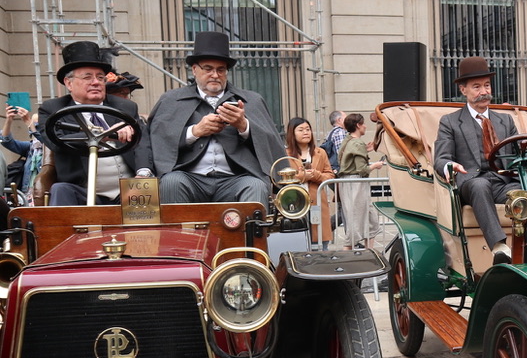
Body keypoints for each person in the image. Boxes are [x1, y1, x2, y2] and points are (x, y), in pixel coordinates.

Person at [136, 31, 286, 204]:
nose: (215, 75)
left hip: (236, 179)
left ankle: (251, 232)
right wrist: (195, 131)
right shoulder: (171, 100)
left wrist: (243, 126)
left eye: (220, 69)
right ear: (194, 70)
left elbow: (271, 144)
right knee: (171, 182)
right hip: (189, 178)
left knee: (255, 186)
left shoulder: (251, 100)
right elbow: (156, 140)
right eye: (208, 69)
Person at [433, 56, 527, 265]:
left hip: (503, 183)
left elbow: (516, 158)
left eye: (487, 85)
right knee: (480, 184)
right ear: (463, 90)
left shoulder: (505, 120)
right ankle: (500, 248)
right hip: (472, 184)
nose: (484, 91)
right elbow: (441, 159)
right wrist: (450, 166)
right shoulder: (450, 122)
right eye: (476, 87)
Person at [38, 41, 139, 205]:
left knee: (162, 185)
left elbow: (144, 143)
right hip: (83, 193)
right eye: (87, 77)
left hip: (130, 192)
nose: (96, 82)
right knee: (60, 190)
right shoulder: (52, 109)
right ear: (69, 83)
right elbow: (56, 142)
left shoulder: (125, 107)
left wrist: (143, 173)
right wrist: (103, 135)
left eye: (100, 77)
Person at [285, 117, 335, 248]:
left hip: (317, 202)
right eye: (300, 130)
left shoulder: (320, 152)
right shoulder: (285, 154)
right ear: (292, 133)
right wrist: (303, 176)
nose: (305, 132)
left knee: (320, 242)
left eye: (308, 129)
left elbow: (330, 176)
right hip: (295, 204)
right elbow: (281, 177)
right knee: (298, 242)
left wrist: (315, 175)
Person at [338, 113, 385, 251]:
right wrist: (376, 165)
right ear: (358, 125)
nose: (365, 126)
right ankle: (346, 253)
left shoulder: (349, 140)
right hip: (355, 184)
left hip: (350, 183)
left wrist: (365, 149)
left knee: (370, 219)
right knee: (356, 219)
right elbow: (362, 170)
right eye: (363, 123)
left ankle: (369, 253)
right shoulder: (356, 142)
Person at [2, 105, 39, 199]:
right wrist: (9, 120)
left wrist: (29, 123)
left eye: (37, 126)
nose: (33, 129)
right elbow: (6, 141)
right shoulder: (31, 147)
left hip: (45, 194)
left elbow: (46, 142)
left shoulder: (51, 147)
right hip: (28, 195)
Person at [321, 109, 347, 174]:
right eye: (346, 118)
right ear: (339, 120)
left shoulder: (331, 133)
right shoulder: (340, 132)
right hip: (339, 169)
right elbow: (341, 152)